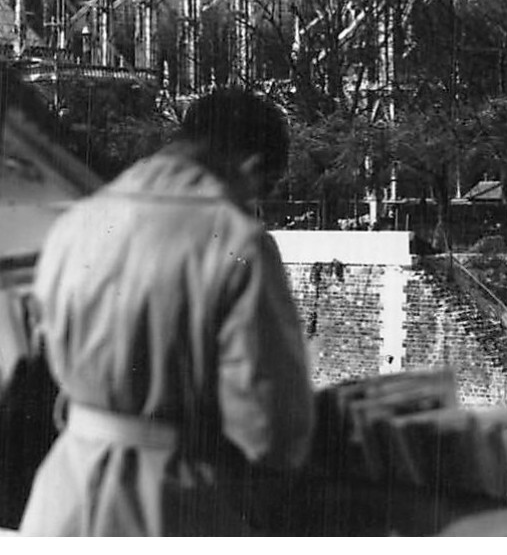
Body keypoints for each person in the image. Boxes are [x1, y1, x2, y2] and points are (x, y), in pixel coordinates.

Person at [18, 88, 315, 536]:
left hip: (65, 493)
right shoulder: (237, 241)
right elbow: (267, 426)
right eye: (264, 190)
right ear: (251, 167)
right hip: (171, 501)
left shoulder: (76, 221)